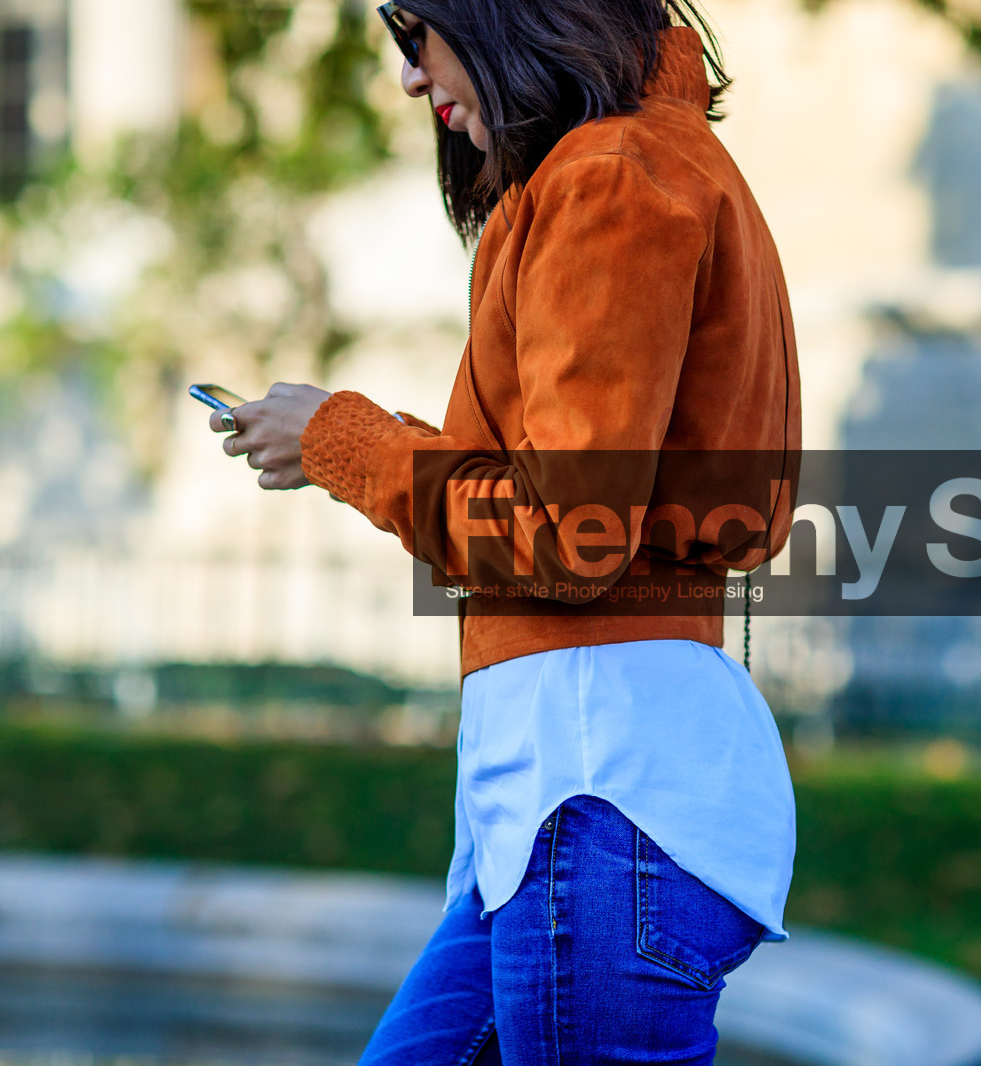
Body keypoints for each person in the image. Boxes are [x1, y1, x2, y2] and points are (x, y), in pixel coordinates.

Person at [209, 0, 801, 1060]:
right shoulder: (629, 166)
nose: (406, 78)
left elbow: (569, 533)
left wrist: (346, 443)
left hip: (599, 798)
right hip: (565, 808)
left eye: (414, 34)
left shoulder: (610, 176)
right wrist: (345, 439)